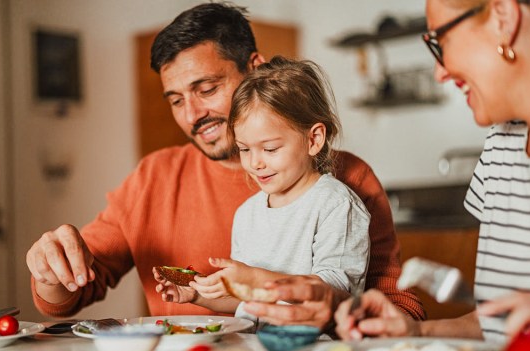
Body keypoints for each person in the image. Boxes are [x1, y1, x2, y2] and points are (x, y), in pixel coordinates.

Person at [26, 2, 424, 322]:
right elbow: (70, 293)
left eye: (207, 88)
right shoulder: (154, 178)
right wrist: (52, 268)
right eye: (177, 100)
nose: (193, 114)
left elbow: (397, 307)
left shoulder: (347, 179)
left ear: (254, 69)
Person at [331, 0, 530, 345]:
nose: (439, 72)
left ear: (504, 17)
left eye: (440, 43)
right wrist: (416, 331)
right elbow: (500, 324)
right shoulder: (502, 145)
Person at [153, 56, 371, 315]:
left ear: (313, 139)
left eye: (270, 148)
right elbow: (245, 301)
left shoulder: (335, 205)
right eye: (244, 149)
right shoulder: (247, 212)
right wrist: (198, 295)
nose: (255, 163)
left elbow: (336, 291)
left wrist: (257, 279)